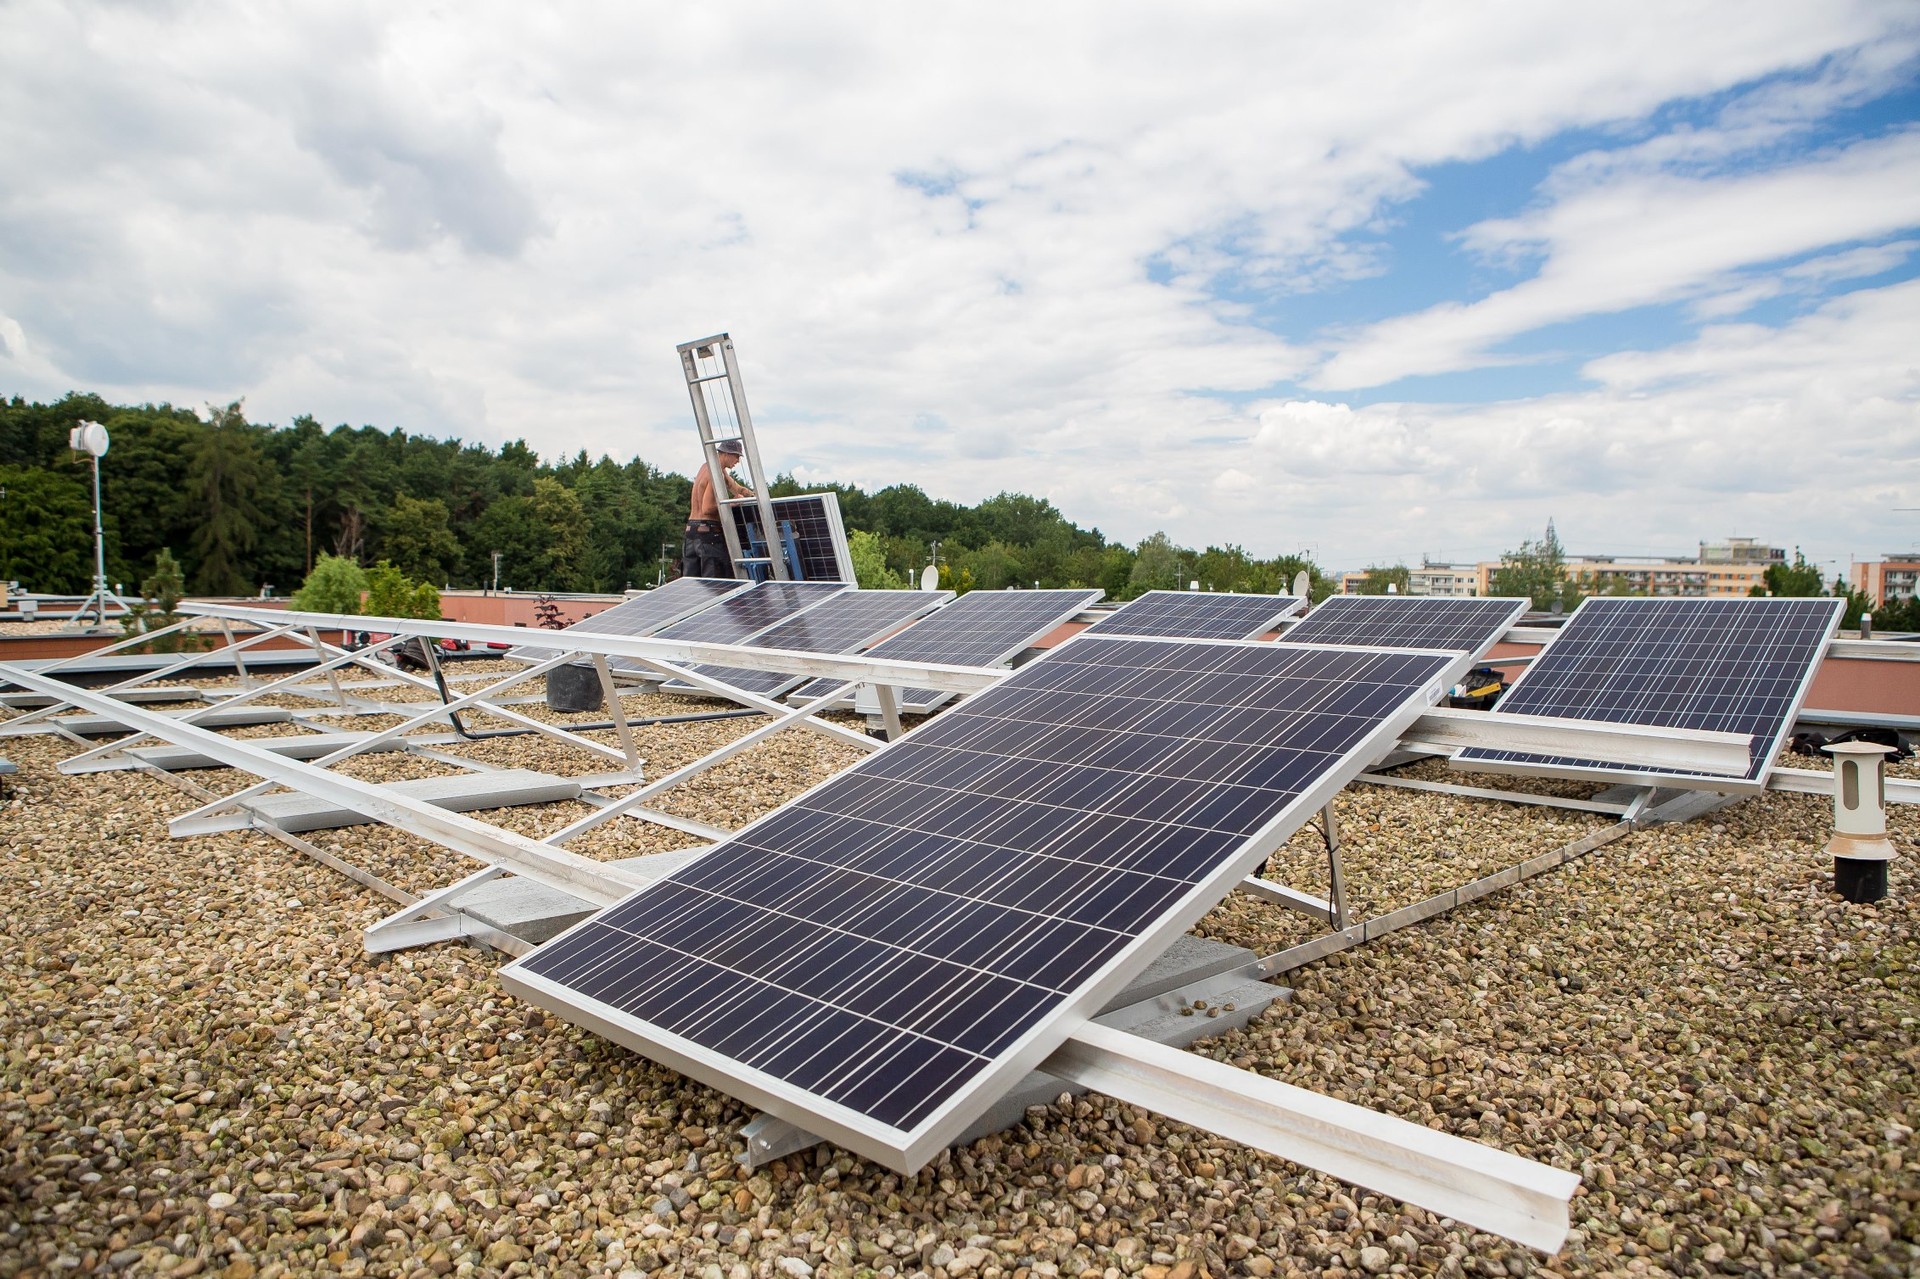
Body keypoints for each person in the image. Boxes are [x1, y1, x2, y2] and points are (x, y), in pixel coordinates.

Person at [681, 439, 755, 579]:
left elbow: (735, 487)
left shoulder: (707, 467)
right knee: (715, 587)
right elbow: (707, 508)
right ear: (726, 454)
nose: (738, 460)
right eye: (737, 456)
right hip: (708, 536)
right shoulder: (717, 474)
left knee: (692, 587)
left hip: (691, 533)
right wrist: (731, 503)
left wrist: (752, 495)